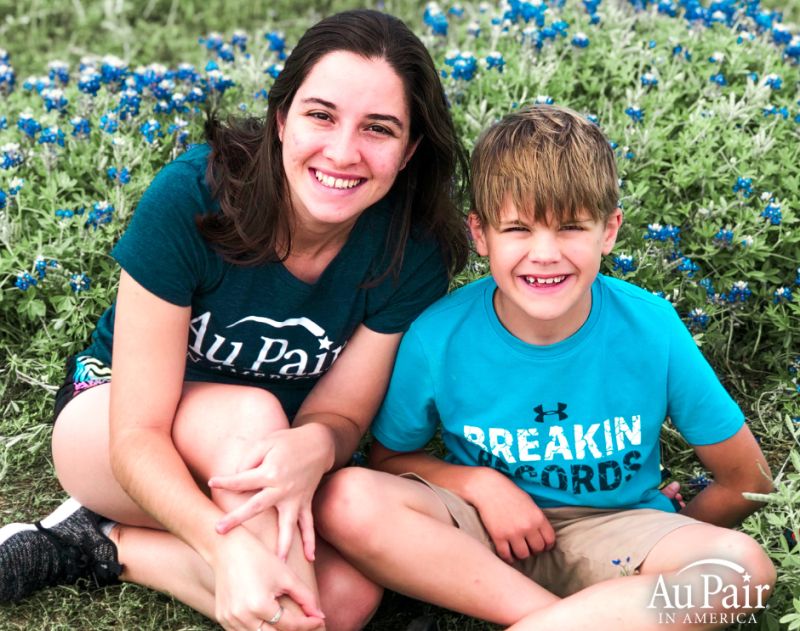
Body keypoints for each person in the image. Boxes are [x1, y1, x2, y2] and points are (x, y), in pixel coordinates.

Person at [0, 10, 469, 631]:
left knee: (347, 598)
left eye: (378, 129)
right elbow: (137, 431)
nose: (343, 151)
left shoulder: (410, 249)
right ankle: (161, 533)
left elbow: (342, 415)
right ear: (281, 119)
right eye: (320, 115)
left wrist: (317, 443)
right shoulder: (193, 197)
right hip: (113, 429)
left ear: (409, 151)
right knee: (252, 417)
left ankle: (98, 542)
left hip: (263, 463)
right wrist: (222, 545)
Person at [315, 104, 776, 630]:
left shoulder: (651, 328)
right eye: (517, 229)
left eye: (572, 227)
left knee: (740, 570)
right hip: (482, 537)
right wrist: (480, 486)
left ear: (609, 231)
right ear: (480, 234)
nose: (545, 253)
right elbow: (390, 460)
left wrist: (667, 538)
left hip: (618, 533)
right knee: (344, 498)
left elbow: (747, 477)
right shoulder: (438, 337)